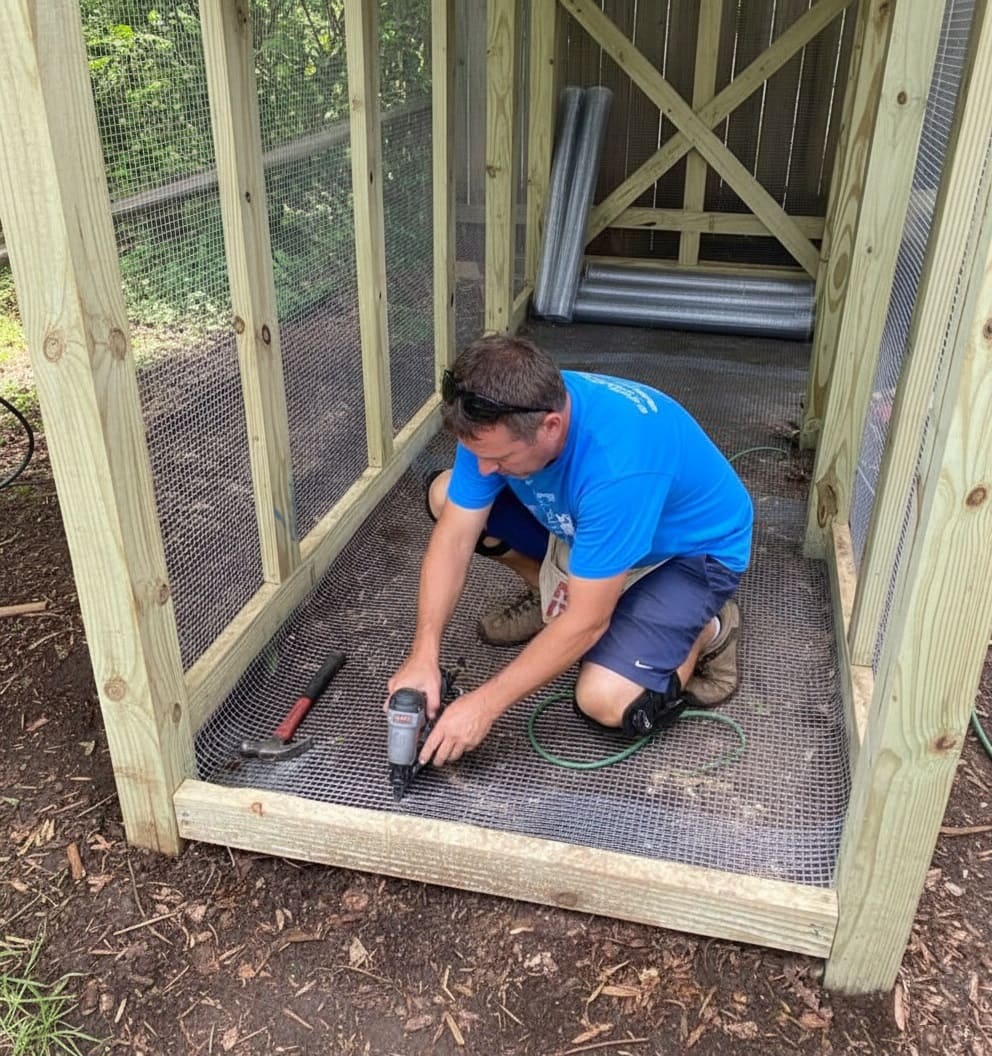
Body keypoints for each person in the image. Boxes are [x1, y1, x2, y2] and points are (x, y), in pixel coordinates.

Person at [387, 335, 753, 768]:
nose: (484, 468)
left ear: (551, 426)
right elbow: (453, 540)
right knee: (447, 495)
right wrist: (422, 655)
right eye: (478, 454)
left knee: (608, 700)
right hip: (592, 528)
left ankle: (708, 628)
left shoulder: (619, 466)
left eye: (499, 458)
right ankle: (552, 593)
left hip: (682, 555)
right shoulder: (498, 414)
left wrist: (484, 704)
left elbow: (587, 623)